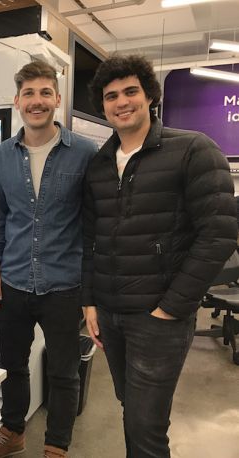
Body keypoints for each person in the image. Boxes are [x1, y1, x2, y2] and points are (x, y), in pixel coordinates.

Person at [82, 54, 237, 457]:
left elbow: (219, 234)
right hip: (110, 314)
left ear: (149, 95)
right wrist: (90, 301)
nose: (121, 102)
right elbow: (90, 238)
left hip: (158, 319)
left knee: (147, 428)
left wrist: (171, 308)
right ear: (102, 105)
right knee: (131, 410)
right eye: (111, 95)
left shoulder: (192, 150)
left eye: (130, 91)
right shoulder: (98, 164)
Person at [0, 59, 98, 458]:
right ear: (17, 101)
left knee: (63, 372)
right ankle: (13, 433)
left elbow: (95, 222)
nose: (37, 101)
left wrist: (92, 289)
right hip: (11, 280)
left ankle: (56, 447)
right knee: (11, 364)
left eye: (45, 92)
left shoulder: (84, 152)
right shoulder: (3, 155)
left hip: (64, 284)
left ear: (57, 100)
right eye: (29, 93)